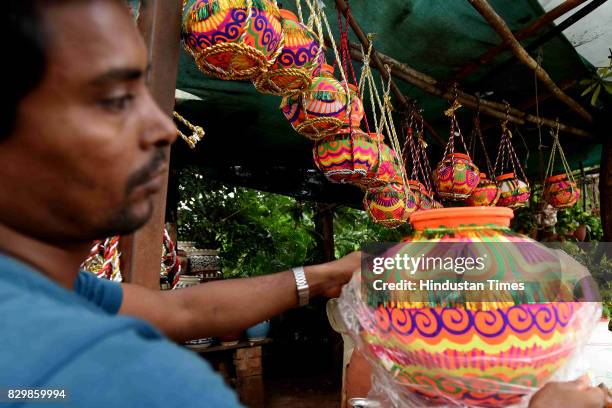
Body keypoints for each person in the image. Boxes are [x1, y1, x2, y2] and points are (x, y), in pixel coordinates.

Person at [0, 1, 360, 407]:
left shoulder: (54, 290)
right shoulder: (139, 383)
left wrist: (326, 276)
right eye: (116, 99)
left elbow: (183, 310)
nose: (162, 129)